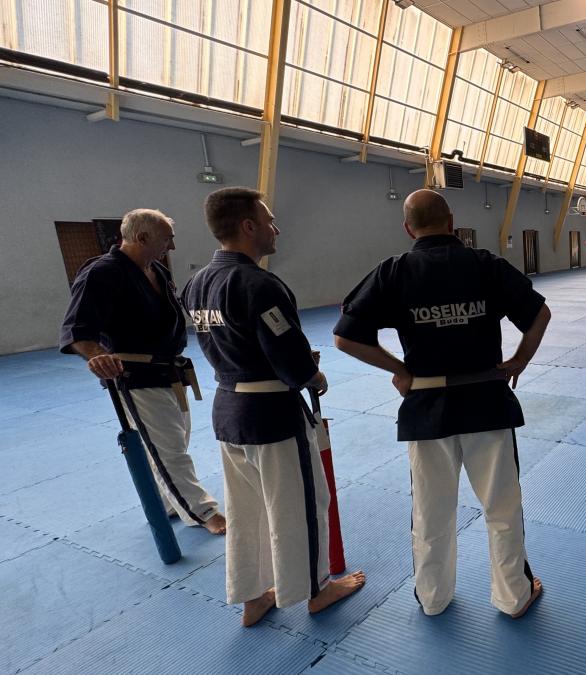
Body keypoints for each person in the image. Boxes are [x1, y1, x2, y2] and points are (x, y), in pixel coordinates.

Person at [333, 189, 550, 620]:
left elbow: (345, 337)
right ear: (452, 222)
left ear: (407, 228)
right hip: (486, 402)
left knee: (430, 512)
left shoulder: (394, 271)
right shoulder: (485, 264)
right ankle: (514, 596)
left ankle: (433, 598)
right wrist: (520, 360)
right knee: (502, 508)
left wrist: (400, 369)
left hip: (426, 405)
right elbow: (539, 314)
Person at [182, 187, 365, 627]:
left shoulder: (196, 283)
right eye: (269, 221)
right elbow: (289, 357)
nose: (276, 229)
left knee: (246, 510)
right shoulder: (258, 284)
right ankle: (317, 590)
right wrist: (313, 376)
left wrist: (285, 362)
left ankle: (252, 596)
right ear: (248, 227)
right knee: (301, 504)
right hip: (270, 416)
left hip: (228, 409)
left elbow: (238, 341)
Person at [60, 208, 226, 536]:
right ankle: (203, 511)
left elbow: (175, 312)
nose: (172, 247)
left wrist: (219, 316)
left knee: (173, 441)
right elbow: (77, 329)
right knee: (168, 449)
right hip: (135, 374)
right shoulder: (102, 272)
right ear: (142, 237)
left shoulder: (156, 270)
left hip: (171, 372)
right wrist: (97, 356)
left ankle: (168, 502)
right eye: (167, 239)